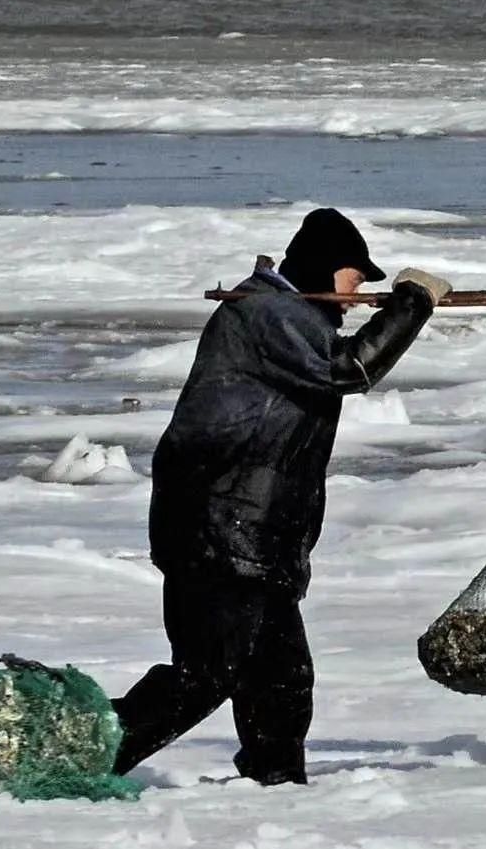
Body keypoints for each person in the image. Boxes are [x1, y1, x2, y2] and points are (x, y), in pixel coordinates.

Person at [113, 207, 450, 785]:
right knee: (207, 672)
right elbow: (347, 369)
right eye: (353, 281)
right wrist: (411, 303)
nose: (353, 298)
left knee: (282, 680)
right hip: (217, 527)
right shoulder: (269, 311)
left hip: (256, 536)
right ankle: (81, 752)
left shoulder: (286, 316)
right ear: (326, 268)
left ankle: (277, 789)